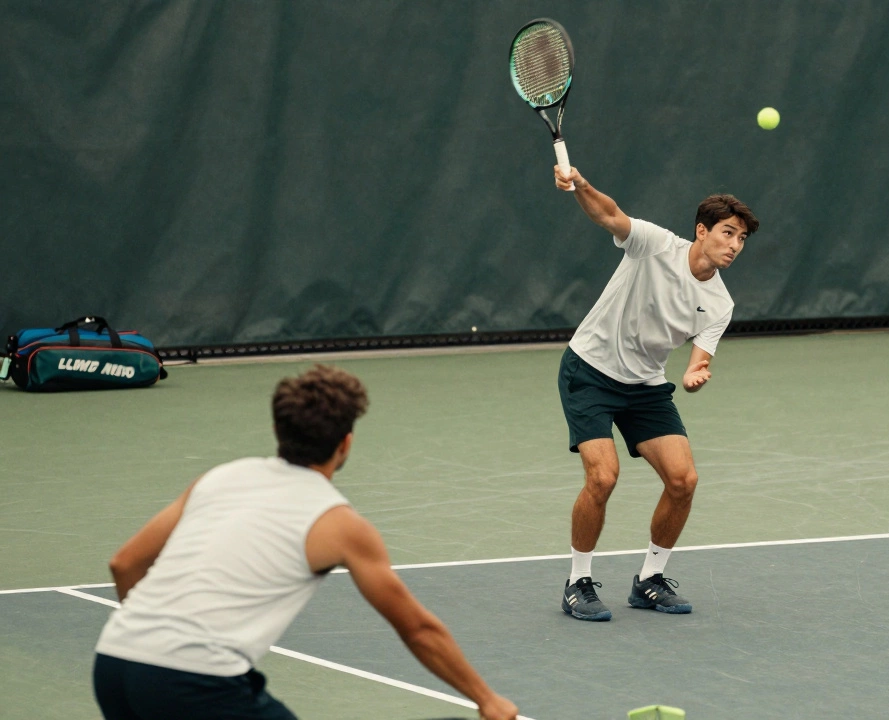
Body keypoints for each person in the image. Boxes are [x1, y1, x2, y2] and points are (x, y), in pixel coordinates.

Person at [92, 365, 518, 720]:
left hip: (113, 664)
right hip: (195, 682)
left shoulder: (220, 477)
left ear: (278, 428)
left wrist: (150, 640)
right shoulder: (340, 524)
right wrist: (487, 699)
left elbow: (124, 564)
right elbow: (417, 628)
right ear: (345, 443)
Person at [553, 164, 759, 621]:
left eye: (741, 239)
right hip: (589, 369)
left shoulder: (721, 303)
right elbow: (609, 215)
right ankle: (577, 582)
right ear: (701, 230)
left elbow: (699, 359)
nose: (734, 245)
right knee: (603, 477)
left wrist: (693, 376)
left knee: (683, 480)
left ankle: (649, 579)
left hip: (644, 385)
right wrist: (582, 185)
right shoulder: (654, 244)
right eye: (727, 233)